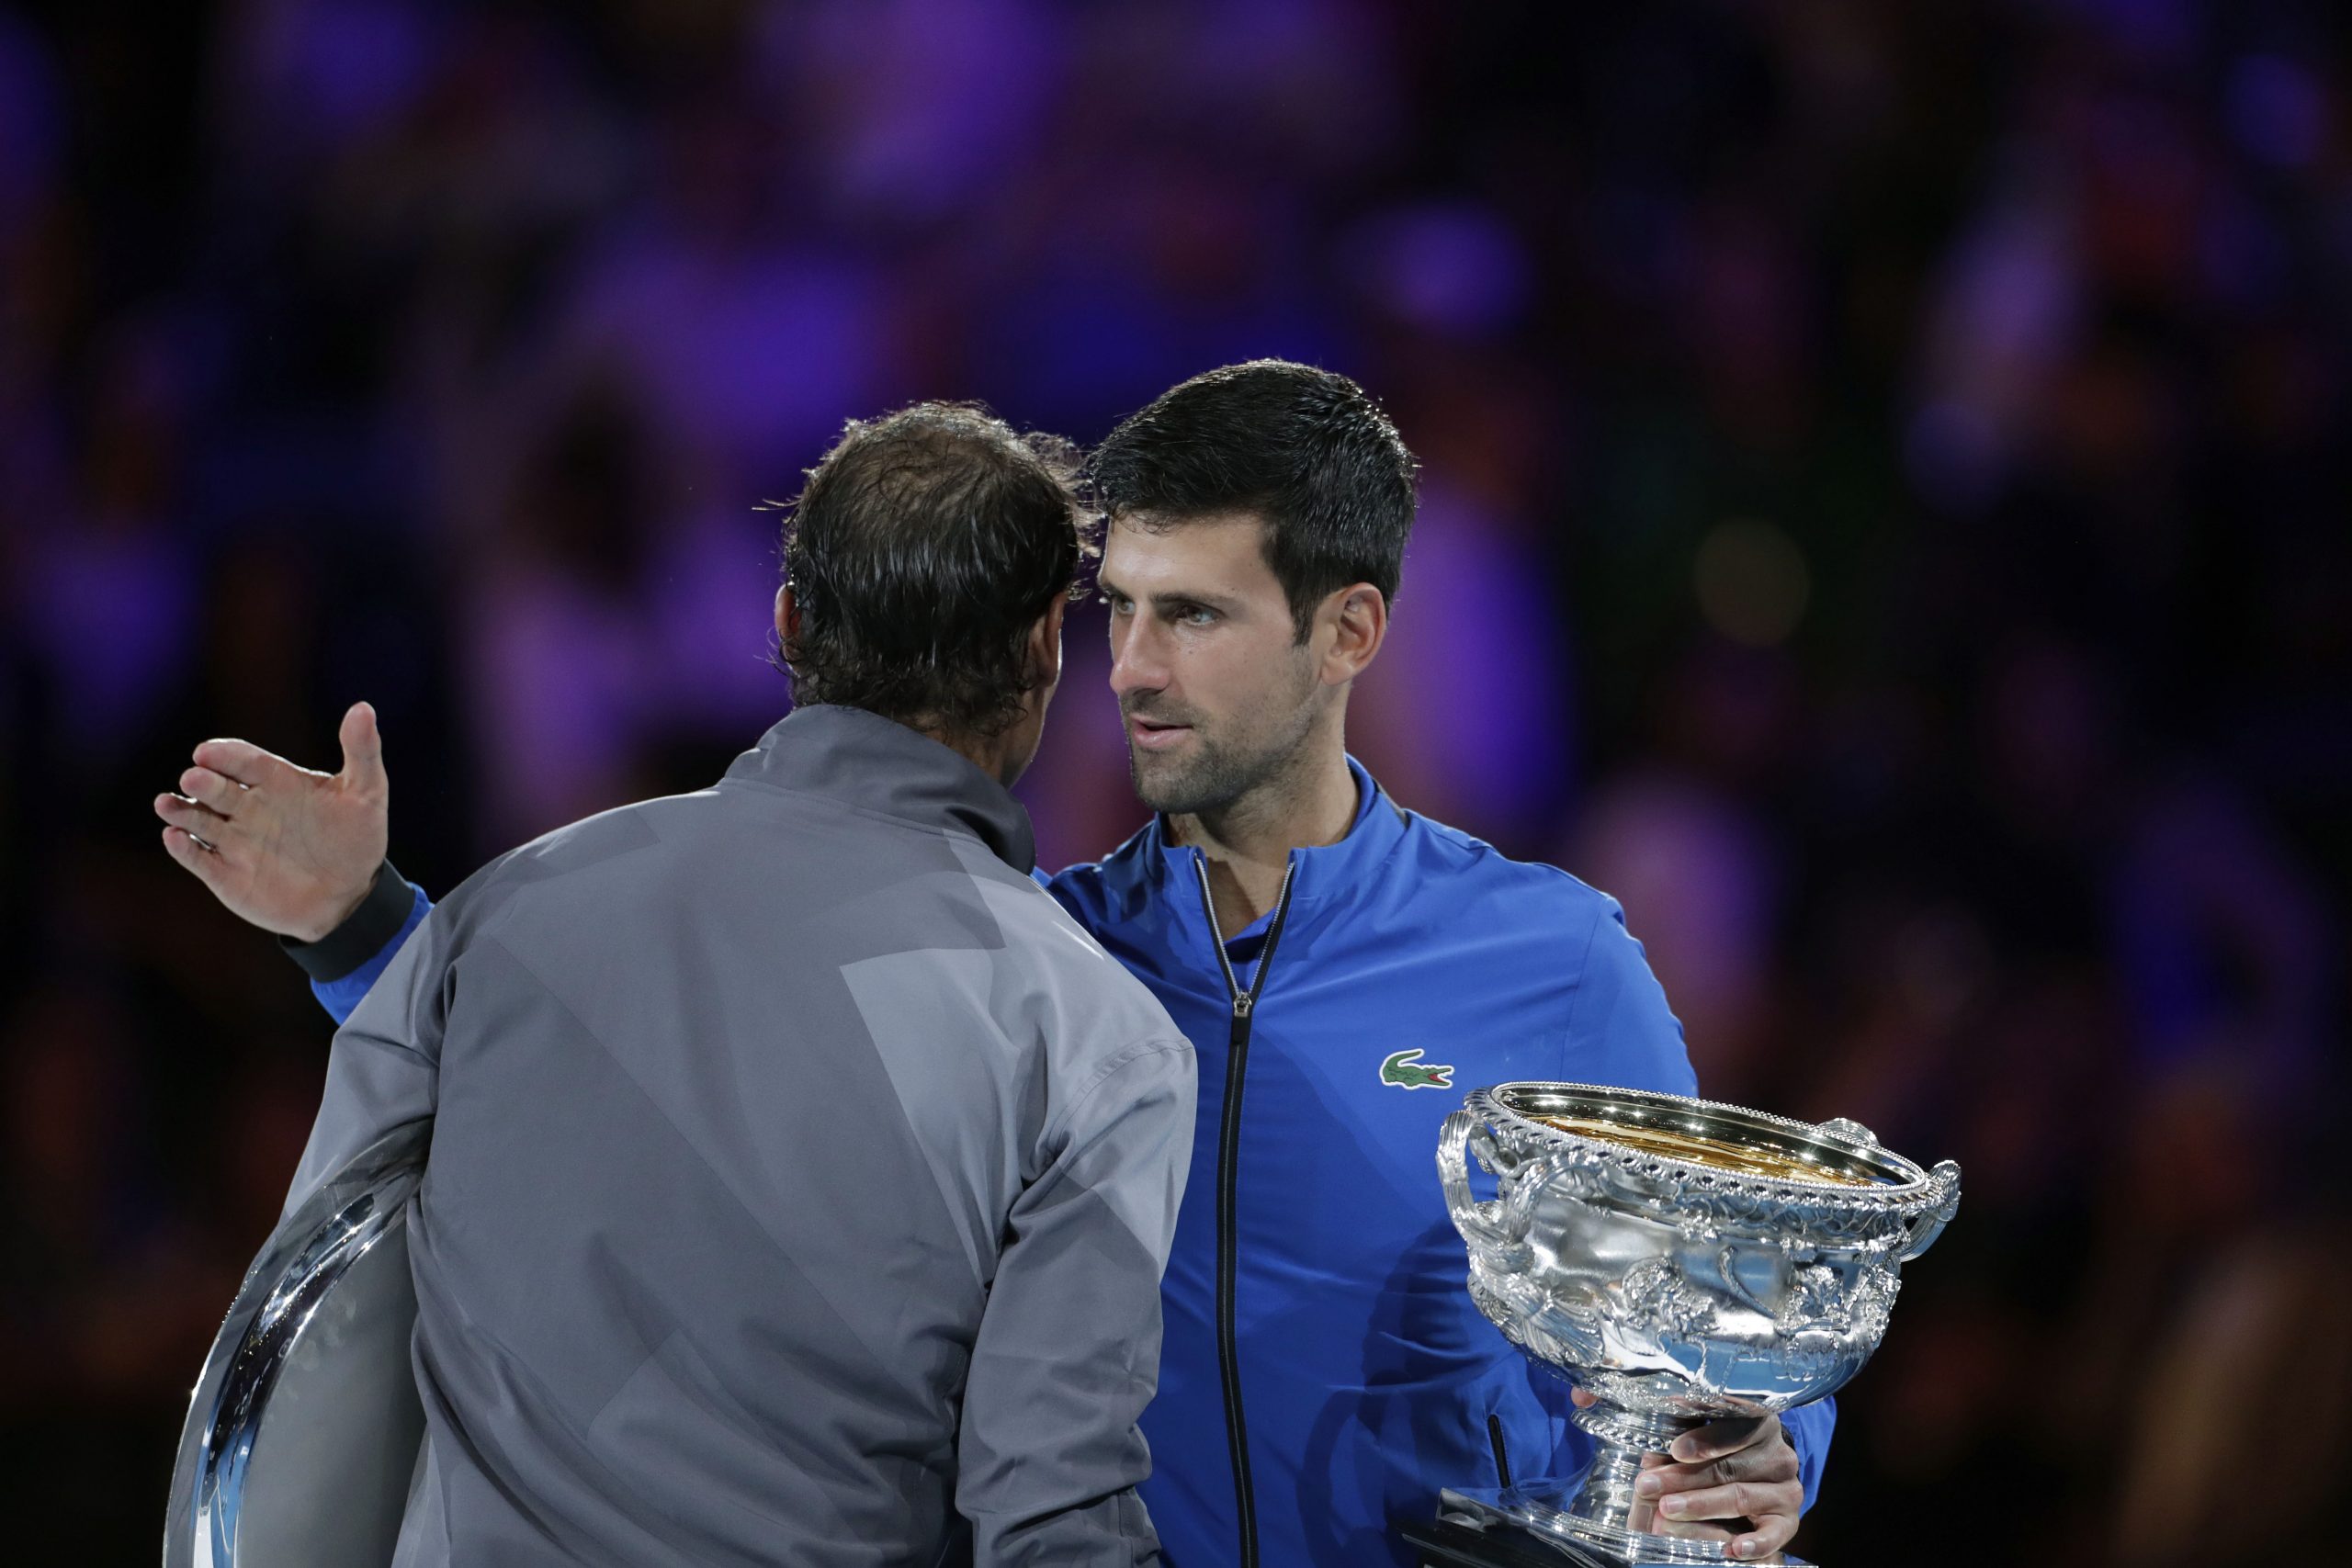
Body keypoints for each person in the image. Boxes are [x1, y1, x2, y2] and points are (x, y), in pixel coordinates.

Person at [162, 362, 1831, 1566]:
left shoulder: (1553, 960)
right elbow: (642, 1049)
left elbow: (1708, 1332)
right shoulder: (1054, 962)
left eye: (1197, 615)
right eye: (1116, 610)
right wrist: (368, 929)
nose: (1137, 671)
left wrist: (1772, 1452)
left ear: (1351, 633)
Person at [164, 402, 1196, 1566]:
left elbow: (319, 1336)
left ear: (789, 623)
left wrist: (362, 934)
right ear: (1044, 651)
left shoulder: (514, 908)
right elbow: (1054, 1516)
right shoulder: (1097, 1039)